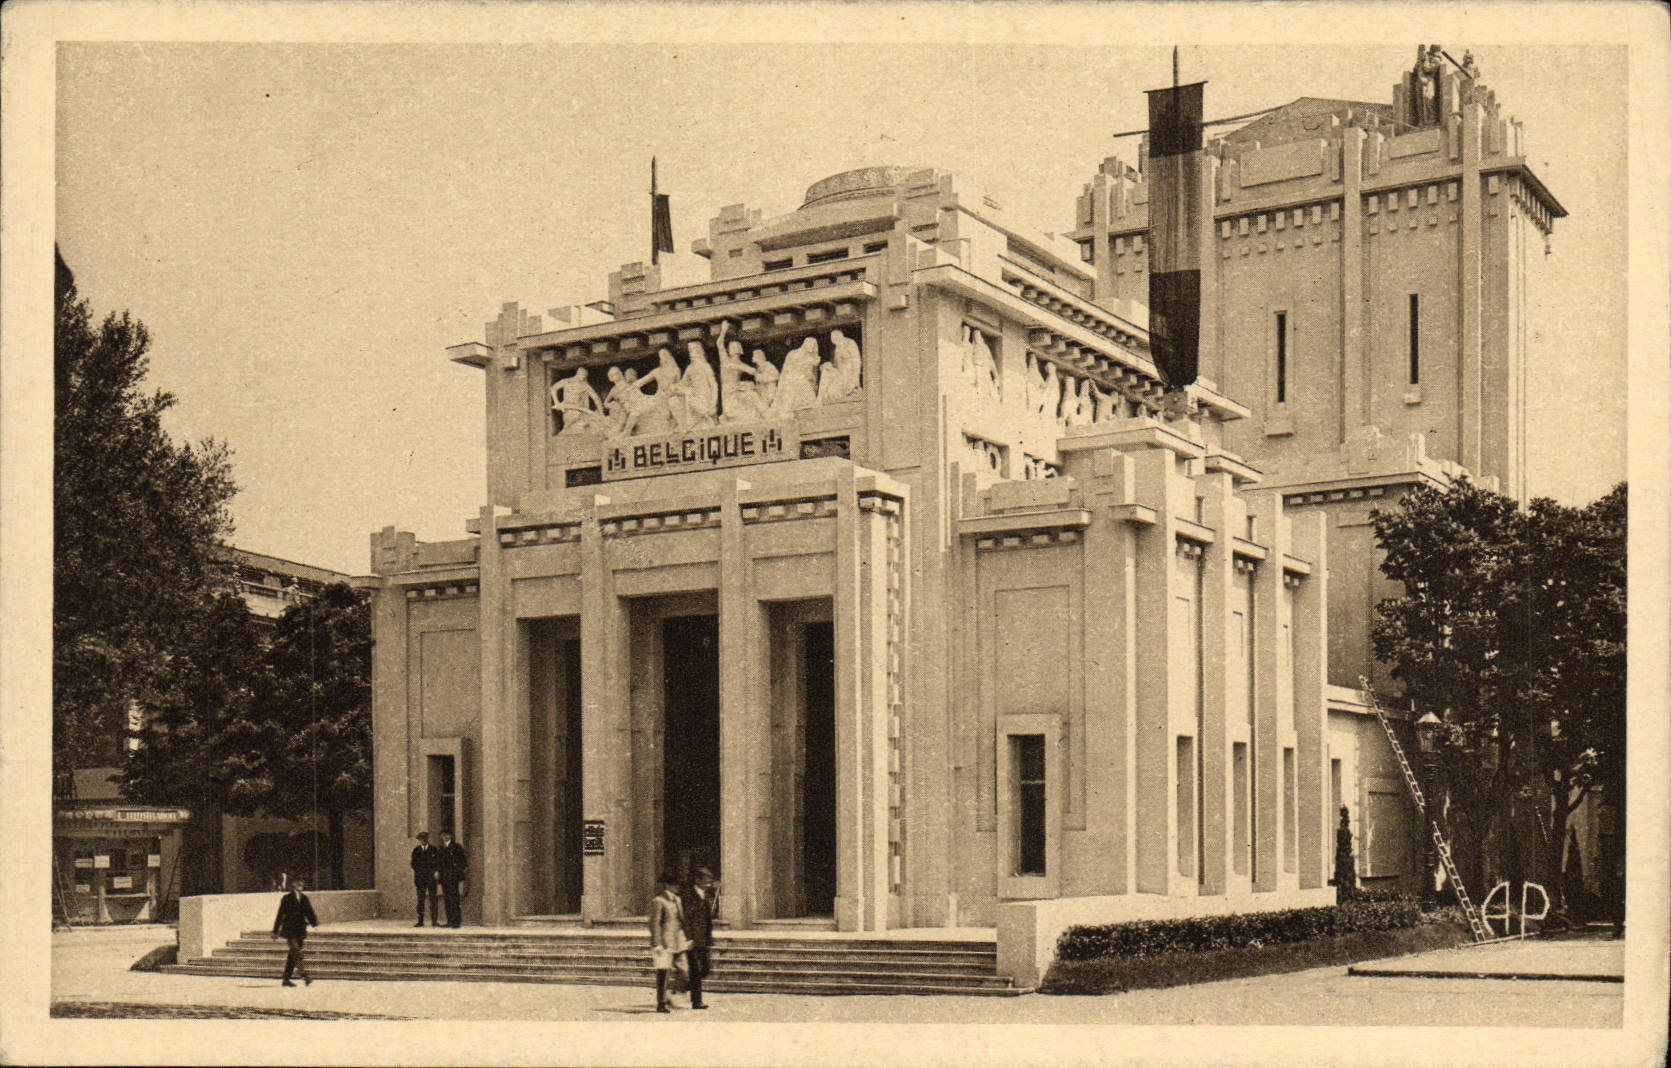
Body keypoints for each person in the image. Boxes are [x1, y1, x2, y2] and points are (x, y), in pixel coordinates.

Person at [648, 872, 689, 1013]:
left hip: (678, 941)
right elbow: (655, 924)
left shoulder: (678, 900)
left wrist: (687, 938)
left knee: (685, 970)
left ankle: (672, 994)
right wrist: (657, 943)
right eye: (674, 884)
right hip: (665, 943)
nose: (677, 887)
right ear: (667, 885)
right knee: (664, 974)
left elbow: (681, 921)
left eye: (678, 884)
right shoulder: (659, 901)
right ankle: (661, 1003)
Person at [679, 867, 719, 1010]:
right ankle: (697, 1001)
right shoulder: (688, 896)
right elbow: (686, 919)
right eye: (706, 881)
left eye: (710, 881)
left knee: (705, 968)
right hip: (692, 940)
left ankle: (685, 985)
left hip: (703, 939)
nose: (709, 884)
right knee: (695, 969)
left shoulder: (705, 895)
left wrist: (709, 938)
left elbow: (708, 920)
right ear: (697, 881)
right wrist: (688, 938)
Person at [271, 875, 318, 987]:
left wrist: (314, 923)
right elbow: (280, 914)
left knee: (292, 955)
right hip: (290, 930)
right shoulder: (286, 898)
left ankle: (286, 979)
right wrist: (275, 931)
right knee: (296, 951)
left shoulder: (304, 898)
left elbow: (309, 912)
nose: (300, 884)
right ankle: (304, 975)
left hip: (300, 930)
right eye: (297, 882)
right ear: (292, 884)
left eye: (301, 882)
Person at [437, 830, 468, 928]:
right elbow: (438, 862)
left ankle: (456, 922)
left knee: (454, 899)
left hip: (453, 877)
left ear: (451, 836)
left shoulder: (457, 847)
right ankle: (449, 921)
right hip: (444, 877)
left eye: (447, 835)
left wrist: (456, 871)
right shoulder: (441, 848)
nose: (445, 837)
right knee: (447, 899)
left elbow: (463, 862)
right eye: (443, 835)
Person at [410, 831, 439, 927]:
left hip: (431, 879)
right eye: (421, 839)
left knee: (433, 899)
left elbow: (437, 863)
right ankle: (420, 921)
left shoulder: (434, 850)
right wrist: (421, 871)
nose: (423, 841)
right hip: (420, 879)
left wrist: (435, 872)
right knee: (420, 900)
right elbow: (413, 864)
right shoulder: (416, 851)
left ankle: (434, 921)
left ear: (427, 839)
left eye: (424, 839)